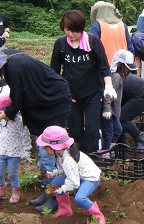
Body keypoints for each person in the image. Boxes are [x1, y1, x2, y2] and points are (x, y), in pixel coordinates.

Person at [0, 46, 72, 212]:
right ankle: (45, 191)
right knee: (42, 149)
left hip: (54, 102)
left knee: (48, 151)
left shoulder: (13, 69)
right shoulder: (9, 58)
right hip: (42, 102)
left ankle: (54, 197)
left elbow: (15, 106)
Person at [50, 9, 116, 155]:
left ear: (81, 29)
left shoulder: (93, 41)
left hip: (93, 92)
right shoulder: (61, 44)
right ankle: (78, 158)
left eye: (74, 31)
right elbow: (54, 70)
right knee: (75, 129)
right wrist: (55, 92)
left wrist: (109, 86)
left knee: (92, 129)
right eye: (67, 30)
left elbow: (103, 66)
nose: (71, 34)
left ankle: (92, 157)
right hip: (71, 93)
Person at [37, 126, 105, 224]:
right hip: (78, 176)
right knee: (54, 183)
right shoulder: (61, 155)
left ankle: (98, 215)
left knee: (80, 198)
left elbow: (74, 183)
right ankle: (65, 209)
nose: (44, 149)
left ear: (54, 147)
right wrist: (51, 174)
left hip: (90, 178)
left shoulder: (68, 160)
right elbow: (63, 170)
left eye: (45, 147)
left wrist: (59, 190)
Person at [0, 94, 31, 204]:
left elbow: (25, 135)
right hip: (3, 151)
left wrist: (26, 150)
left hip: (15, 153)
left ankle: (15, 192)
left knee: (12, 173)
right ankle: (0, 190)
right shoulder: (2, 121)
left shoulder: (19, 121)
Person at [114, 50, 144, 149]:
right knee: (120, 116)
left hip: (143, 95)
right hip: (137, 93)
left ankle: (143, 142)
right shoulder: (115, 75)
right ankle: (122, 141)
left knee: (123, 118)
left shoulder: (116, 77)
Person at [89, 1, 134, 65]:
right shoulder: (122, 25)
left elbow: (93, 46)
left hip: (106, 65)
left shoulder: (97, 25)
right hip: (123, 66)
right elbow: (130, 46)